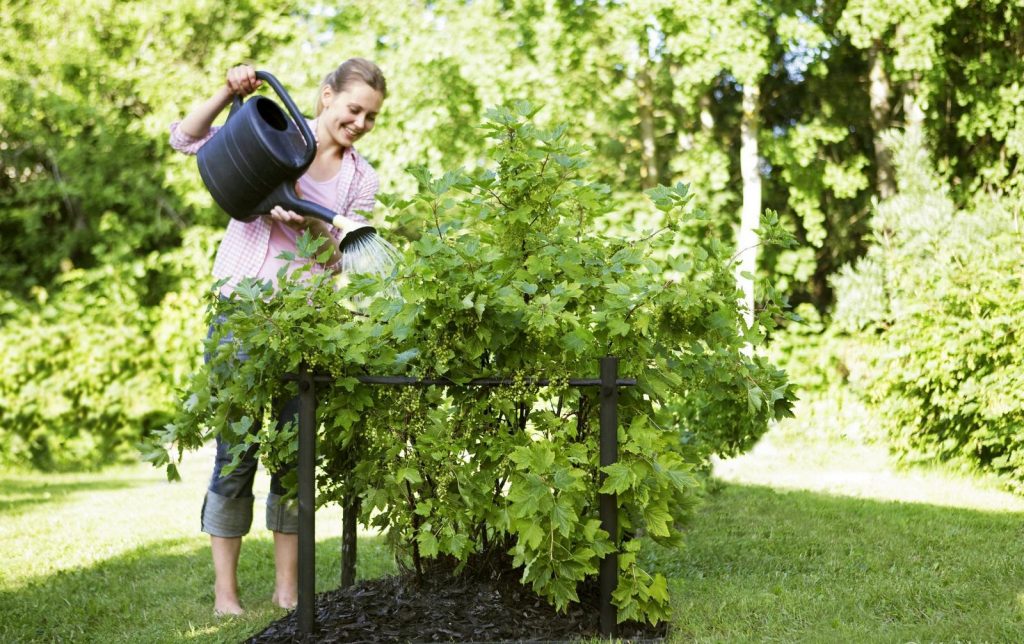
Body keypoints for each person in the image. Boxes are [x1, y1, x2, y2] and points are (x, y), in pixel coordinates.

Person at [169, 59, 387, 616]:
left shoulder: (362, 179)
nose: (359, 122)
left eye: (370, 116)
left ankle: (288, 590)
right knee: (235, 451)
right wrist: (228, 90)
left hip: (303, 322)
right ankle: (226, 596)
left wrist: (309, 220)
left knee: (294, 457)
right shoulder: (273, 134)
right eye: (353, 108)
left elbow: (343, 261)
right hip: (239, 314)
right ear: (325, 95)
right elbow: (185, 139)